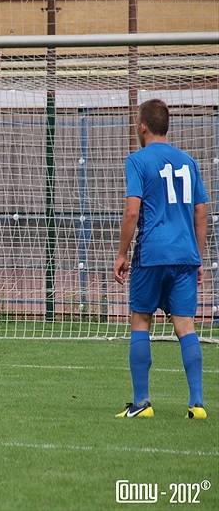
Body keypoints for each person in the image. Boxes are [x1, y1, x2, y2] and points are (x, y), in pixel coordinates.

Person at [113, 98, 208, 420]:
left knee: (140, 320)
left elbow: (132, 210)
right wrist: (198, 258)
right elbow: (201, 213)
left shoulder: (138, 160)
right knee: (185, 326)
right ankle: (197, 405)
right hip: (185, 253)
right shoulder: (188, 162)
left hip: (152, 253)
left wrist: (122, 253)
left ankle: (142, 403)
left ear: (142, 127)